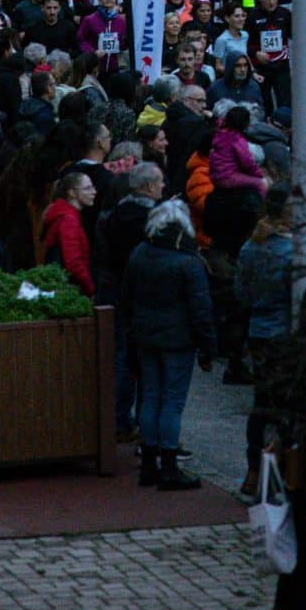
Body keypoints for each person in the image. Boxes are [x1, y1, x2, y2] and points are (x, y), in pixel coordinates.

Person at [123, 196, 214, 489]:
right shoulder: (189, 262)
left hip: (145, 336)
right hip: (178, 340)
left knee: (149, 396)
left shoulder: (140, 253)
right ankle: (170, 466)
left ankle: (149, 464)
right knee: (172, 402)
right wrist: (208, 347)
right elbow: (201, 310)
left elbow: (127, 297)